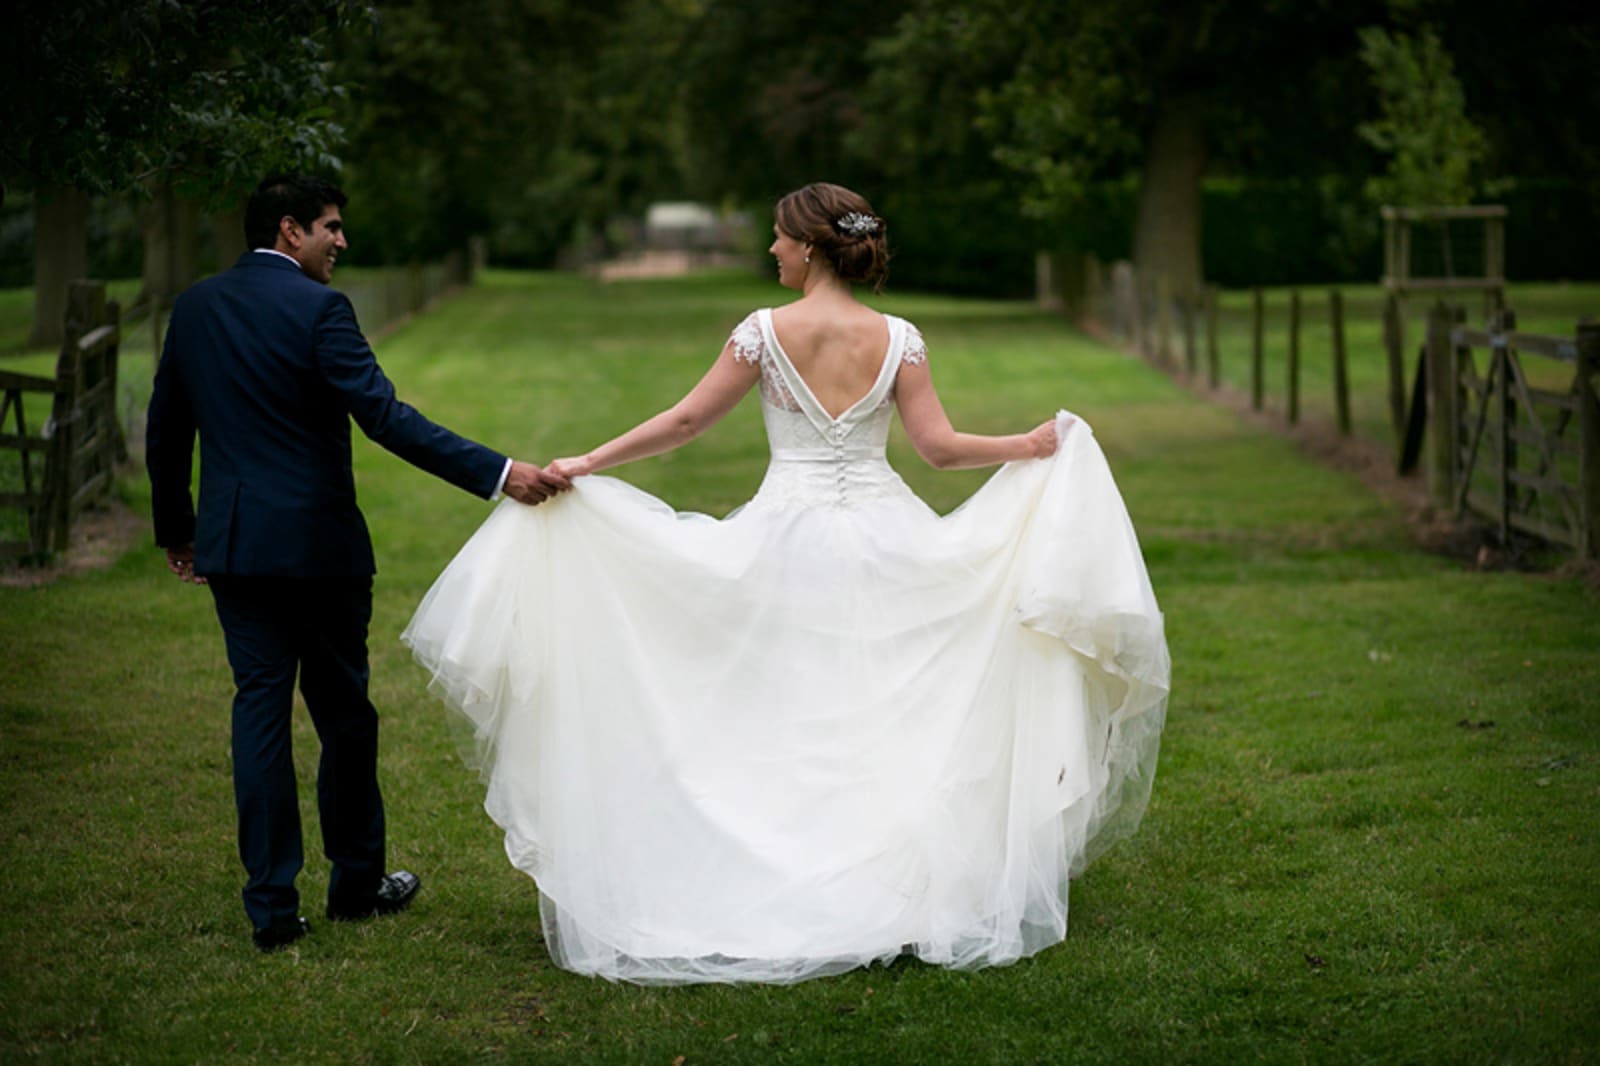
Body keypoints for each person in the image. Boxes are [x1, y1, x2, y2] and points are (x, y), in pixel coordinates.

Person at [404, 182, 1169, 984]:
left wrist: (589, 462)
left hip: (788, 536)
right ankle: (889, 883)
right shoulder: (899, 336)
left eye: (777, 237)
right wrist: (1028, 443)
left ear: (808, 245)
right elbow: (939, 450)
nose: (770, 248)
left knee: (787, 708)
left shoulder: (764, 333)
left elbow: (688, 422)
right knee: (879, 711)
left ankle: (793, 869)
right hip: (887, 536)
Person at [145, 174, 570, 953]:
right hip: (319, 550)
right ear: (288, 230)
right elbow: (384, 417)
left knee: (259, 715)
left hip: (235, 547)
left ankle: (272, 910)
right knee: (343, 714)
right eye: (331, 227)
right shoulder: (320, 309)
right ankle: (356, 885)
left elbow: (167, 424)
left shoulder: (197, 306)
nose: (341, 241)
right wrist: (499, 471)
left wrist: (180, 529)